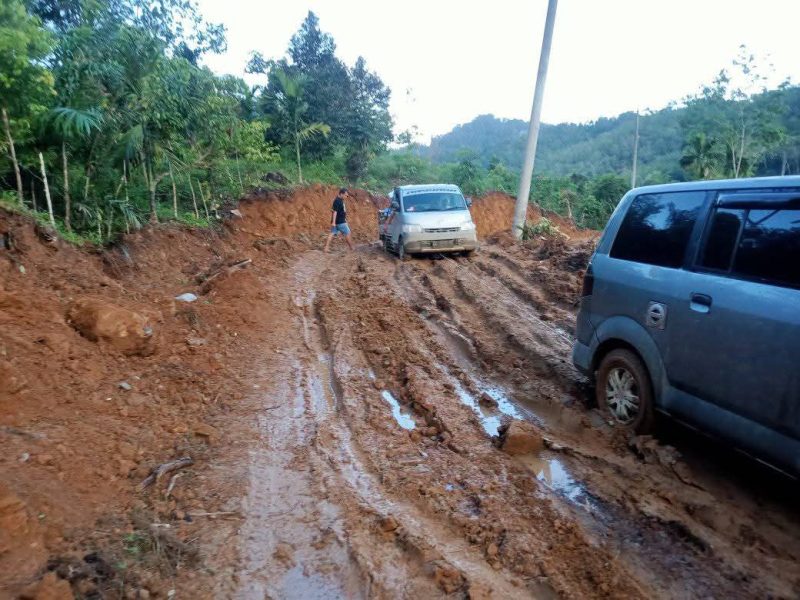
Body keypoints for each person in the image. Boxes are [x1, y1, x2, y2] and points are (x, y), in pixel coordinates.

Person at [324, 187, 355, 252]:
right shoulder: (337, 201)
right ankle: (352, 248)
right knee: (348, 233)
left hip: (338, 221)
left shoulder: (339, 200)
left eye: (347, 195)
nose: (346, 197)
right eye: (346, 195)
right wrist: (333, 222)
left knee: (332, 233)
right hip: (340, 222)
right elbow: (335, 212)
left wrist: (334, 222)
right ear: (341, 194)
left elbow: (334, 210)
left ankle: (326, 248)